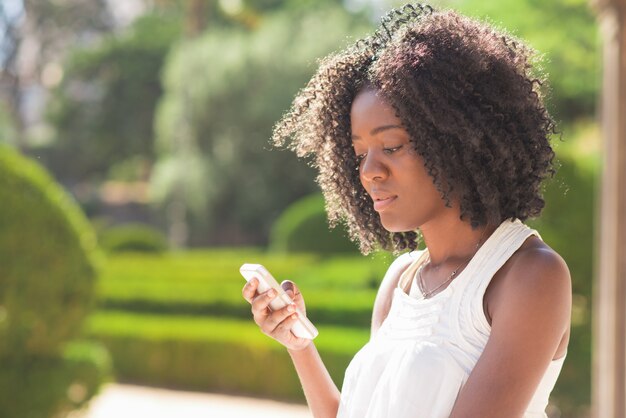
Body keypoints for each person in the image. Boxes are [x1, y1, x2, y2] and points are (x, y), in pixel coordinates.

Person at [241, 3, 571, 418]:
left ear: (458, 142)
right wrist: (299, 346)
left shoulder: (528, 276)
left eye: (392, 147)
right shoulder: (402, 279)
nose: (369, 172)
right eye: (359, 153)